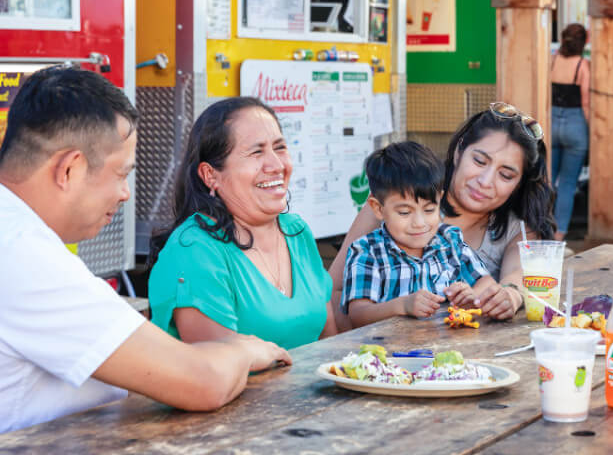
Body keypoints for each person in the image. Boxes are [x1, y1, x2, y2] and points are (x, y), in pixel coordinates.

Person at [0, 67, 291, 434]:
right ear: (70, 169)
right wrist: (246, 350)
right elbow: (202, 382)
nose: (125, 194)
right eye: (121, 175)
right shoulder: (24, 256)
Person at [331, 102, 555, 329]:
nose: (485, 181)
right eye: (479, 161)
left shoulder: (511, 229)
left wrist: (507, 296)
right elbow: (332, 290)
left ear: (519, 184)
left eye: (505, 175)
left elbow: (516, 277)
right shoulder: (394, 200)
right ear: (459, 150)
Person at [148, 97, 336, 350]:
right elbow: (219, 369)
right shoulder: (194, 250)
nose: (277, 165)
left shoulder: (296, 231)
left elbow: (330, 345)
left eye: (279, 148)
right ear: (210, 175)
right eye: (257, 152)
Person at [341, 141, 492, 328]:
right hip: (392, 352)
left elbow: (486, 282)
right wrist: (402, 305)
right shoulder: (368, 251)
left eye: (429, 210)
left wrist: (472, 296)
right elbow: (358, 314)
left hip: (449, 350)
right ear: (378, 208)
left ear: (439, 200)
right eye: (405, 212)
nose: (419, 223)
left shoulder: (450, 242)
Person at [551, 23, 590, 241]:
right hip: (575, 125)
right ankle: (559, 234)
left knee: (546, 180)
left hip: (552, 122)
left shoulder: (553, 61)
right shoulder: (583, 65)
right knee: (567, 183)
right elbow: (586, 102)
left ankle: (540, 227)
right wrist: (591, 130)